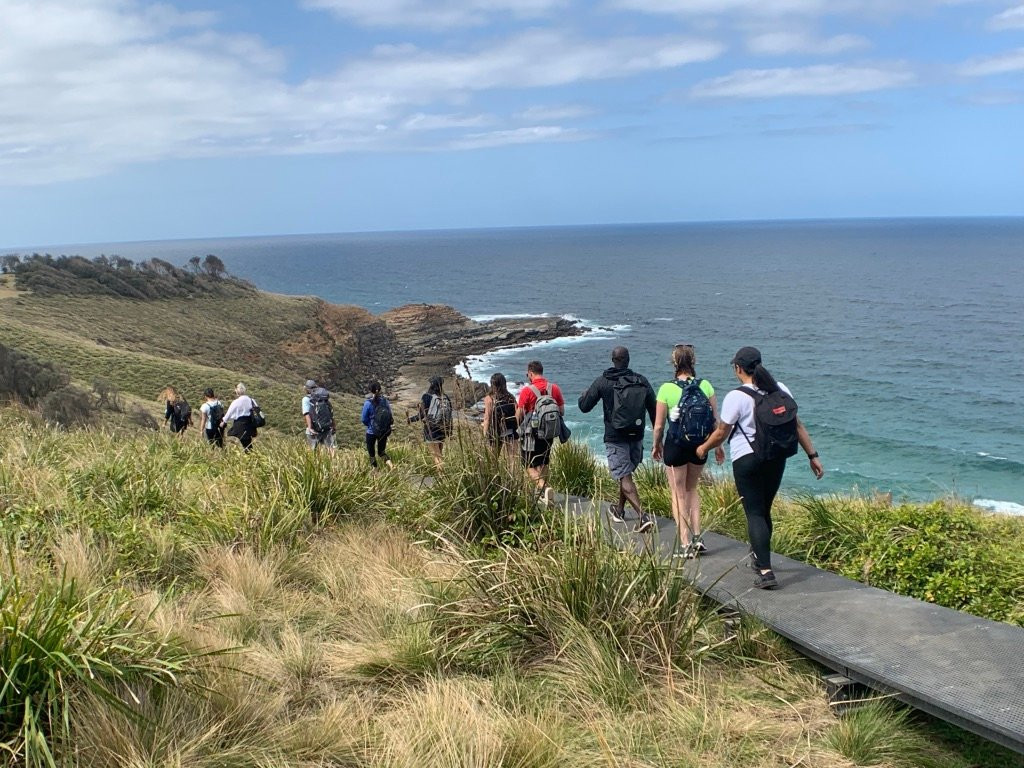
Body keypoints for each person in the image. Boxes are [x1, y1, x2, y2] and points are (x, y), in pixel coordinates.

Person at [696, 347, 824, 589]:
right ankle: (759, 558)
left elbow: (722, 432)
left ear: (738, 368)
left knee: (754, 513)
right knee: (764, 510)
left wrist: (703, 448)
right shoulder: (780, 389)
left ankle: (765, 571)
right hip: (776, 457)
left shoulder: (736, 396)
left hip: (747, 460)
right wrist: (812, 456)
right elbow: (797, 425)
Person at [651, 344, 725, 556]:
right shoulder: (706, 385)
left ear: (674, 363)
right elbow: (715, 421)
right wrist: (718, 446)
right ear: (693, 362)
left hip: (676, 446)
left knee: (678, 493)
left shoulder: (666, 389)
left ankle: (684, 543)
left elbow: (659, 426)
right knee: (692, 489)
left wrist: (656, 445)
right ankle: (697, 537)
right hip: (700, 446)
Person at [578, 346, 657, 533]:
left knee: (624, 476)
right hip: (636, 435)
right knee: (625, 474)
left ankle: (643, 516)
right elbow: (654, 409)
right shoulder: (641, 380)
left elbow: (584, 407)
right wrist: (658, 438)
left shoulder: (603, 381)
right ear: (628, 360)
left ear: (613, 360)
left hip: (615, 437)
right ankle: (619, 510)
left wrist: (583, 396)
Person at [516, 360, 564, 504]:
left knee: (527, 464)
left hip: (531, 434)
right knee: (544, 461)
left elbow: (519, 414)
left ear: (531, 373)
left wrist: (519, 428)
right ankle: (542, 495)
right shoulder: (554, 388)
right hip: (549, 432)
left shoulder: (527, 391)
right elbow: (561, 411)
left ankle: (544, 488)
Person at [408, 375, 452, 470]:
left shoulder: (427, 397)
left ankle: (442, 476)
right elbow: (450, 414)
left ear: (431, 385)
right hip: (443, 429)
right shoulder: (446, 397)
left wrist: (410, 420)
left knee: (436, 456)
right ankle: (441, 475)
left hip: (431, 429)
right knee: (439, 454)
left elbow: (421, 415)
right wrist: (449, 431)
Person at [481, 372, 519, 463]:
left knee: (493, 460)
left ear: (492, 384)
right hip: (510, 430)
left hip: (495, 432)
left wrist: (484, 435)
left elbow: (487, 418)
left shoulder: (490, 398)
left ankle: (494, 472)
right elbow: (517, 414)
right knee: (512, 460)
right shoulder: (511, 397)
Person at [361, 381, 393, 468]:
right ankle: (391, 466)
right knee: (381, 452)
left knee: (372, 455)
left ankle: (375, 472)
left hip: (371, 432)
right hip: (383, 431)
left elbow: (363, 419)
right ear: (380, 389)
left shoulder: (368, 403)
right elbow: (390, 415)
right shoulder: (385, 402)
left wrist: (370, 425)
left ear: (370, 390)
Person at [222, 382, 260, 452]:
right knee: (248, 443)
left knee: (241, 443)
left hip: (240, 424)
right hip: (250, 424)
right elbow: (257, 411)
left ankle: (246, 456)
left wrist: (223, 422)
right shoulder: (252, 400)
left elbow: (228, 414)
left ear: (237, 391)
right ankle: (251, 455)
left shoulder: (236, 402)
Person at [302, 379, 336, 451]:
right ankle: (333, 458)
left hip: (314, 428)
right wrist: (333, 426)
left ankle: (313, 459)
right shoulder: (323, 398)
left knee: (312, 450)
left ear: (307, 389)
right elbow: (330, 412)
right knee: (330, 449)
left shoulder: (306, 399)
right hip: (327, 427)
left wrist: (310, 428)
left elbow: (306, 414)